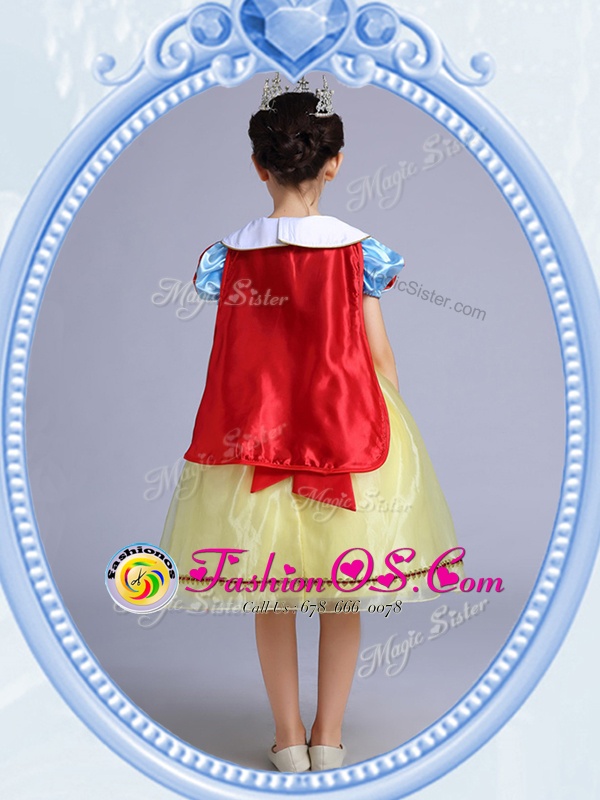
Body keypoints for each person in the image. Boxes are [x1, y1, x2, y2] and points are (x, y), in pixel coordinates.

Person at [159, 72, 465, 773]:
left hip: (254, 439)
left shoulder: (229, 256)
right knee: (342, 584)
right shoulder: (358, 252)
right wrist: (396, 430)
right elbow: (378, 354)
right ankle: (329, 737)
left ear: (258, 165)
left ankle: (288, 739)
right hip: (346, 433)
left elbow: (245, 353)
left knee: (268, 585)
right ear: (335, 163)